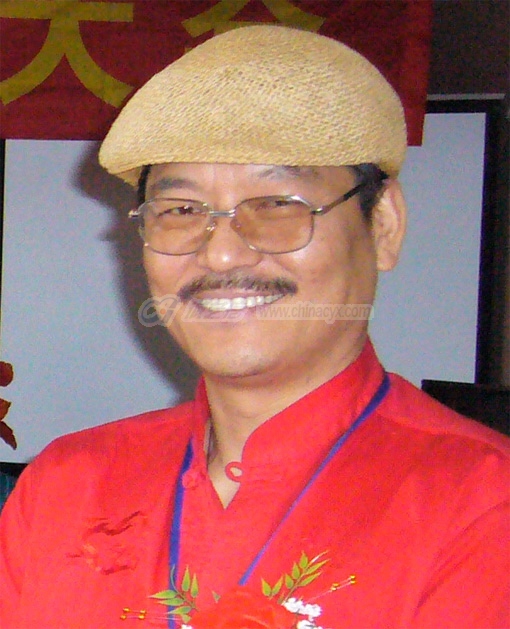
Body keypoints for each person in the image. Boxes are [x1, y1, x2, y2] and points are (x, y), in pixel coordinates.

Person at [0, 25, 508, 629]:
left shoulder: (480, 503)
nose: (220, 254)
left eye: (276, 205)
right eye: (181, 210)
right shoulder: (68, 484)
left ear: (383, 226)